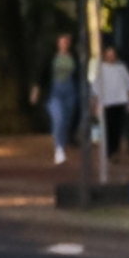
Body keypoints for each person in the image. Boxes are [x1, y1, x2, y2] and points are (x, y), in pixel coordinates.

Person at [33, 32, 78, 164]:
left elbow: (78, 74)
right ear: (57, 42)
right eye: (63, 40)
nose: (65, 42)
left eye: (67, 40)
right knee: (57, 118)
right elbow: (42, 73)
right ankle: (58, 149)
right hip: (54, 92)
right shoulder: (51, 57)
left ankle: (62, 142)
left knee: (66, 120)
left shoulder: (74, 56)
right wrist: (36, 90)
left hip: (70, 91)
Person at [91, 43, 129, 164]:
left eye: (113, 54)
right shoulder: (100, 69)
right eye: (109, 54)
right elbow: (96, 86)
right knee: (108, 127)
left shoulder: (121, 68)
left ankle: (114, 151)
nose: (111, 57)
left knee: (117, 128)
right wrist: (95, 101)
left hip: (120, 101)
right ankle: (109, 151)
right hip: (107, 102)